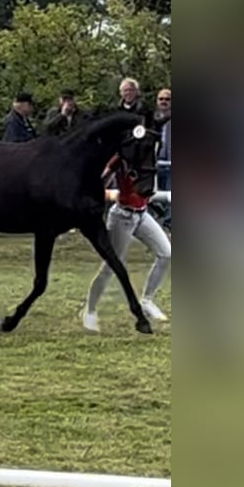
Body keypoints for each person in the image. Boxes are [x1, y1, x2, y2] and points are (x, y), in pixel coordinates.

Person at [80, 149, 172, 332]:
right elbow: (101, 182)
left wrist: (164, 196)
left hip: (142, 214)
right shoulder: (120, 159)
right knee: (110, 266)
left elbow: (147, 192)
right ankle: (89, 309)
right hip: (122, 216)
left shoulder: (147, 159)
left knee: (166, 253)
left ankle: (147, 300)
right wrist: (104, 193)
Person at [154, 88, 171, 230]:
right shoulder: (153, 119)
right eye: (161, 99)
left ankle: (168, 223)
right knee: (153, 194)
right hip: (153, 163)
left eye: (167, 99)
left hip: (171, 163)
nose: (164, 102)